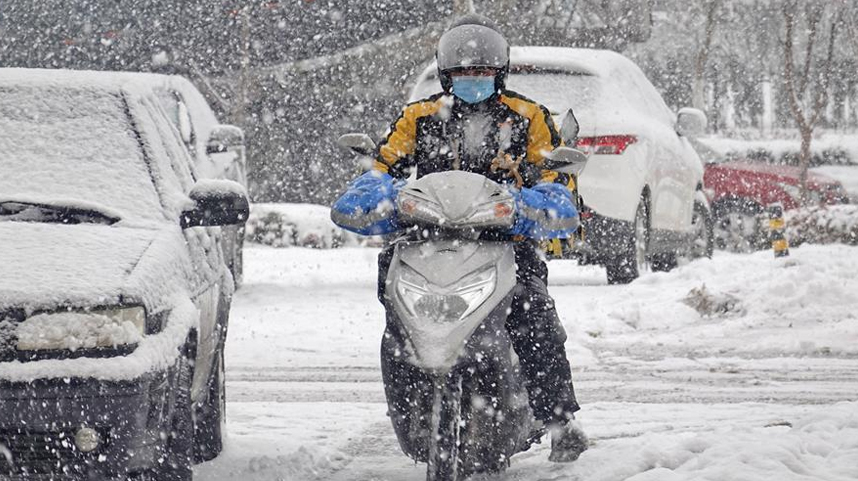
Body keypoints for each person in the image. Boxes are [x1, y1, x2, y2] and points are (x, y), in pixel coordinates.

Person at [331, 14, 588, 462]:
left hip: (502, 243)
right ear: (447, 75)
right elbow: (382, 169)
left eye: (482, 72)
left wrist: (530, 206)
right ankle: (410, 395)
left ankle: (559, 419)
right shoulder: (419, 116)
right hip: (425, 240)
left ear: (500, 73)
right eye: (464, 72)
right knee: (394, 310)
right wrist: (375, 195)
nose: (473, 79)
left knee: (535, 315)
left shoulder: (529, 117)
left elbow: (556, 184)